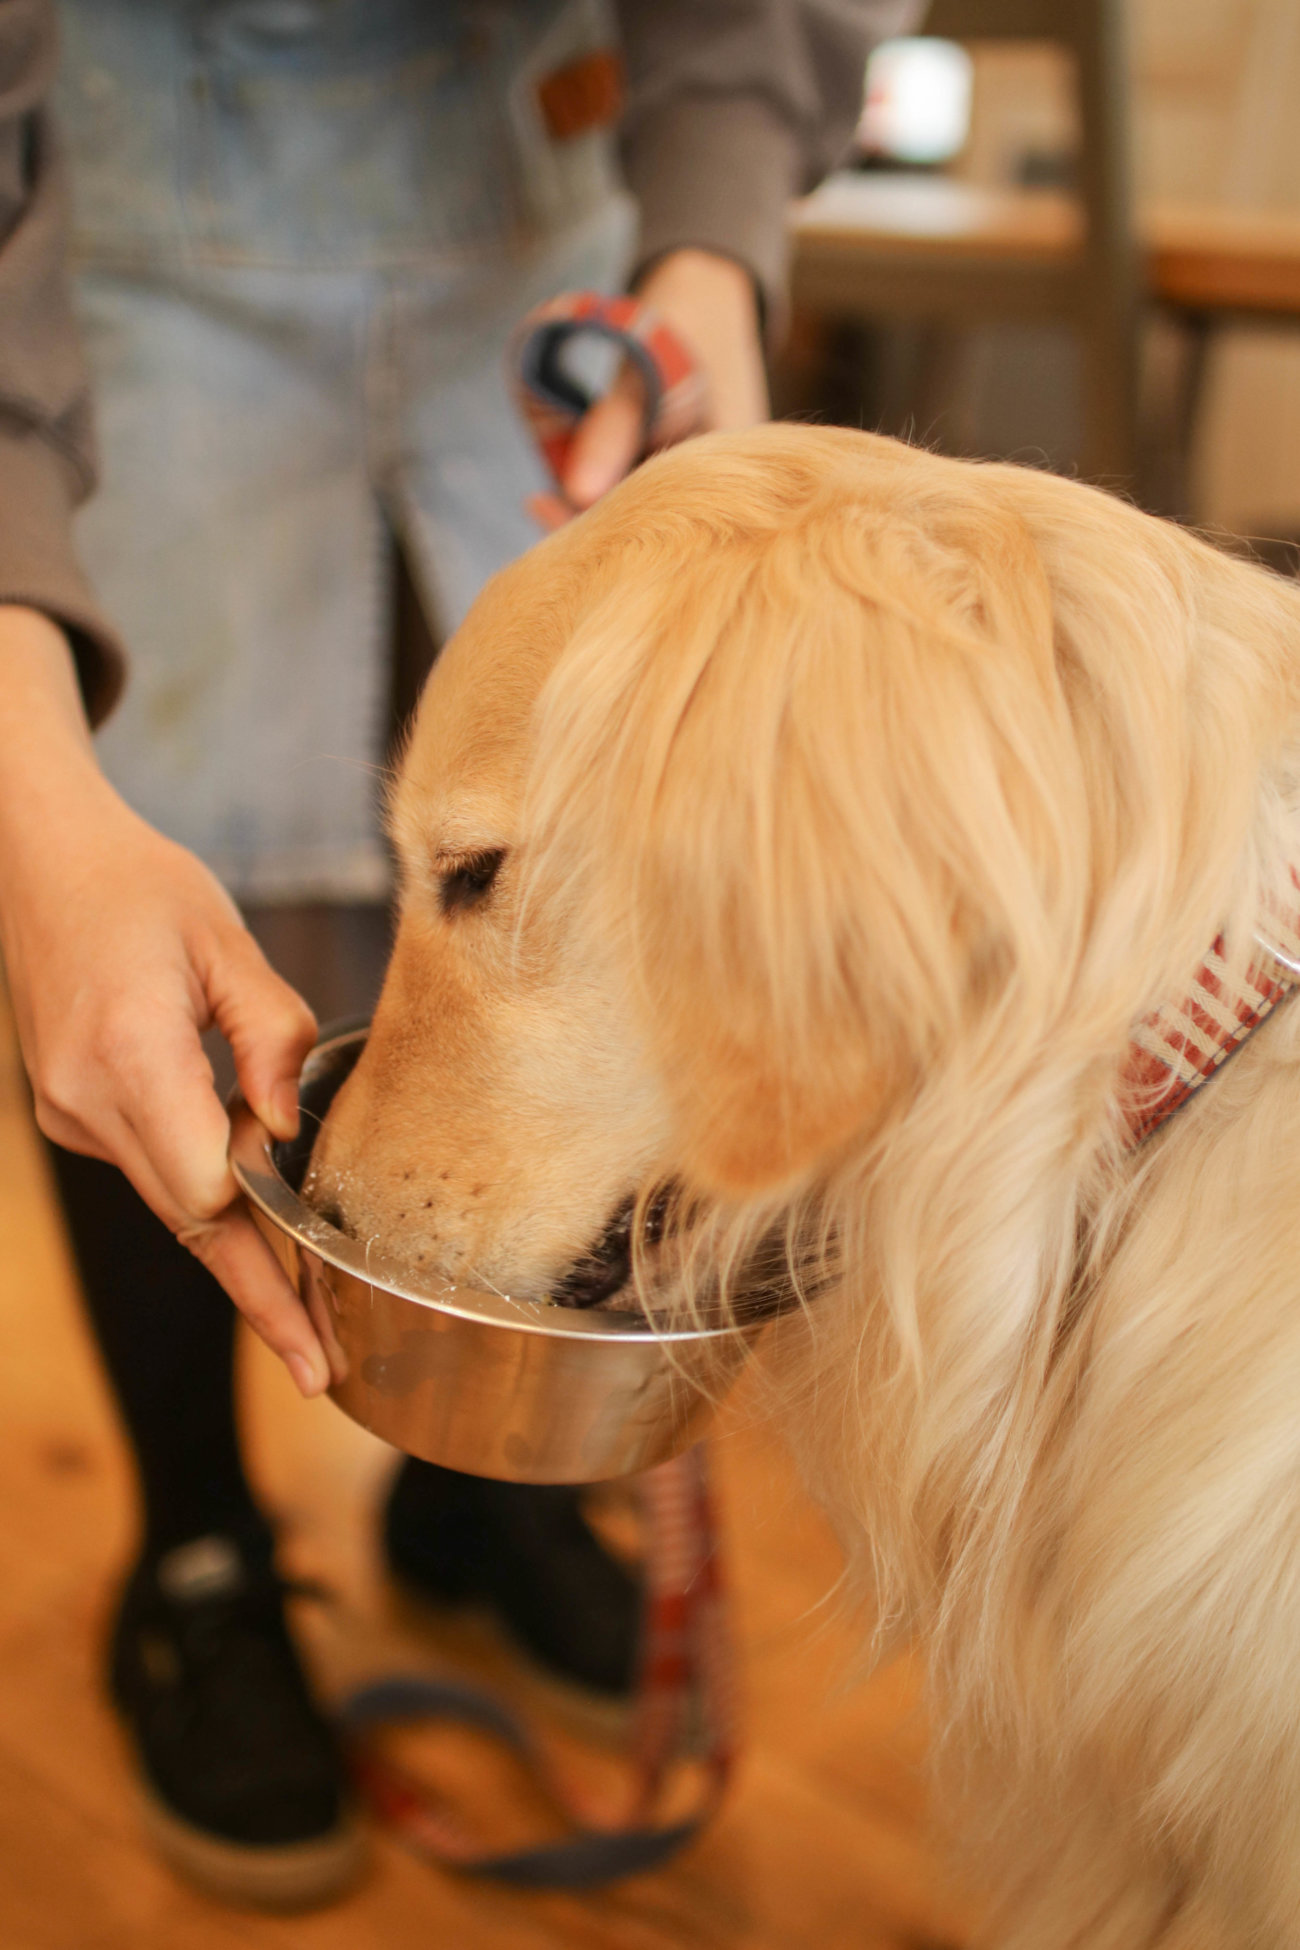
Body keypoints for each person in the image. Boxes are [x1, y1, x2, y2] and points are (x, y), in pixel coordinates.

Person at [0, 0, 916, 1908]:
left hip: (558, 220)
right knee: (167, 882)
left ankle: (479, 1500)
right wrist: (24, 791)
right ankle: (197, 1547)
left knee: (588, 907)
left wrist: (707, 248)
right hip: (116, 247)